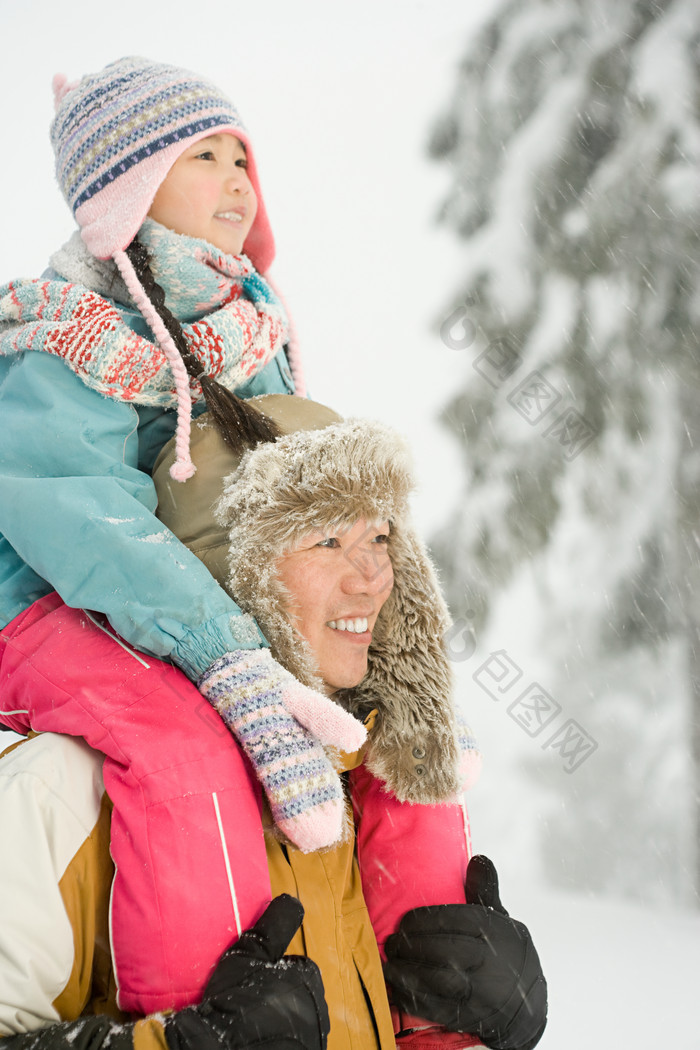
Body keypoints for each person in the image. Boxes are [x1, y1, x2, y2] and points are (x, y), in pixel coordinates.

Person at [0, 394, 547, 1050]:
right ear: (227, 568)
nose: (373, 576)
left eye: (379, 535)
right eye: (328, 538)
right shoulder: (61, 792)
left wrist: (490, 1023)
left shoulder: (359, 781)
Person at [0, 55, 365, 1016]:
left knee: (393, 731)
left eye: (241, 156)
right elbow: (80, 516)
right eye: (203, 155)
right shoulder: (71, 331)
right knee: (182, 747)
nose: (238, 179)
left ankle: (437, 1006)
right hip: (45, 607)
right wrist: (224, 654)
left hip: (191, 603)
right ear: (125, 190)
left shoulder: (245, 324)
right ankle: (209, 1016)